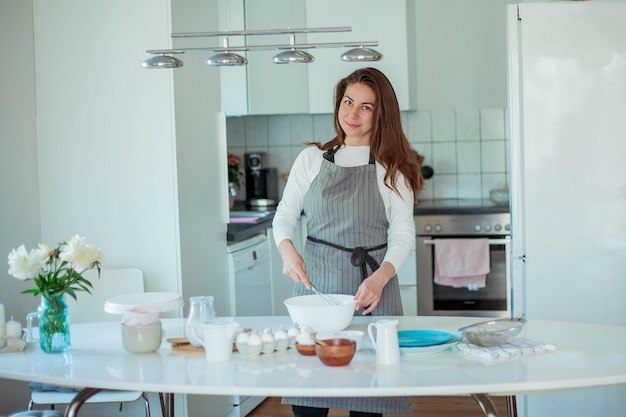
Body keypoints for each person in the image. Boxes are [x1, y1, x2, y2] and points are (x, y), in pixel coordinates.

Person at [272, 67, 425, 417]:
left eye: (366, 107)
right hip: (316, 292)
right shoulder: (310, 160)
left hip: (370, 291)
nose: (352, 114)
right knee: (308, 399)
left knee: (368, 400)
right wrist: (287, 250)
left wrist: (380, 278)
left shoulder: (392, 168)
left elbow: (401, 236)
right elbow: (284, 217)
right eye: (347, 102)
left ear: (381, 114)